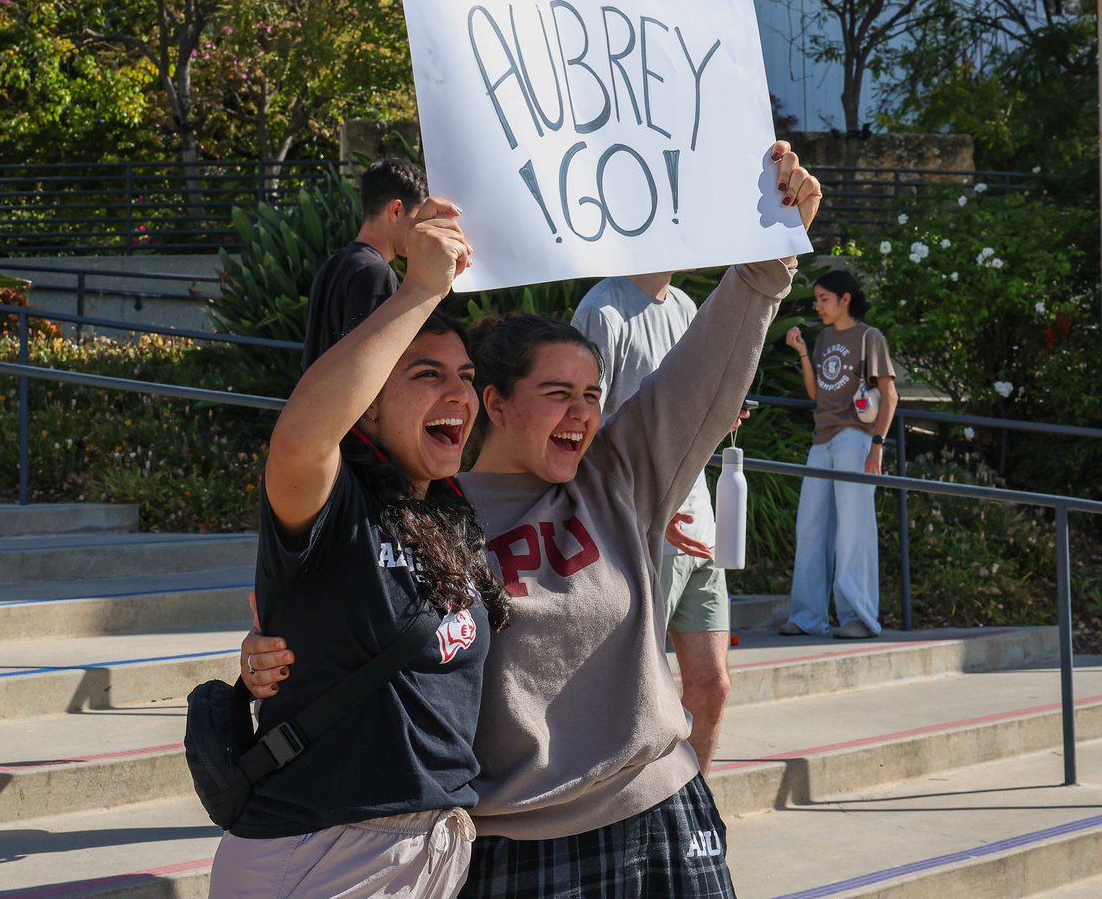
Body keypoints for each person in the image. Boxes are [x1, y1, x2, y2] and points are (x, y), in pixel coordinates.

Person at [243, 141, 822, 898]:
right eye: (559, 393)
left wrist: (770, 255)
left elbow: (706, 370)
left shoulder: (622, 478)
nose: (584, 413)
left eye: (593, 394)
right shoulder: (425, 513)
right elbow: (323, 530)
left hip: (664, 812)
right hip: (513, 847)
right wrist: (265, 652)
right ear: (498, 404)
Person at [209, 202, 509, 899]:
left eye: (465, 376)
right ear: (368, 406)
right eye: (427, 374)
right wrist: (420, 290)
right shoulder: (332, 504)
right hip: (322, 853)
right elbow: (298, 440)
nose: (457, 392)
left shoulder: (454, 513)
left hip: (432, 849)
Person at [571, 272, 745, 775]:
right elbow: (583, 428)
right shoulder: (603, 309)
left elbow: (685, 406)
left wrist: (719, 413)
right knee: (640, 690)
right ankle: (634, 817)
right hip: (643, 526)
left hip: (700, 526)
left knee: (712, 685)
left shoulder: (688, 306)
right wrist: (643, 507)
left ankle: (697, 817)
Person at [780, 268, 897, 640]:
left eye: (823, 299)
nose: (818, 306)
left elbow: (889, 395)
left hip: (855, 438)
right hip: (822, 439)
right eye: (817, 300)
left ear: (845, 298)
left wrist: (877, 445)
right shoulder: (825, 338)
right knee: (810, 527)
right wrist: (802, 353)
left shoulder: (869, 337)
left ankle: (858, 617)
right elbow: (818, 394)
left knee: (853, 531)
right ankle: (807, 616)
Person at [304, 157, 428, 368]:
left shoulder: (335, 262)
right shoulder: (375, 272)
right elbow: (367, 365)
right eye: (419, 217)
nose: (423, 229)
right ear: (396, 210)